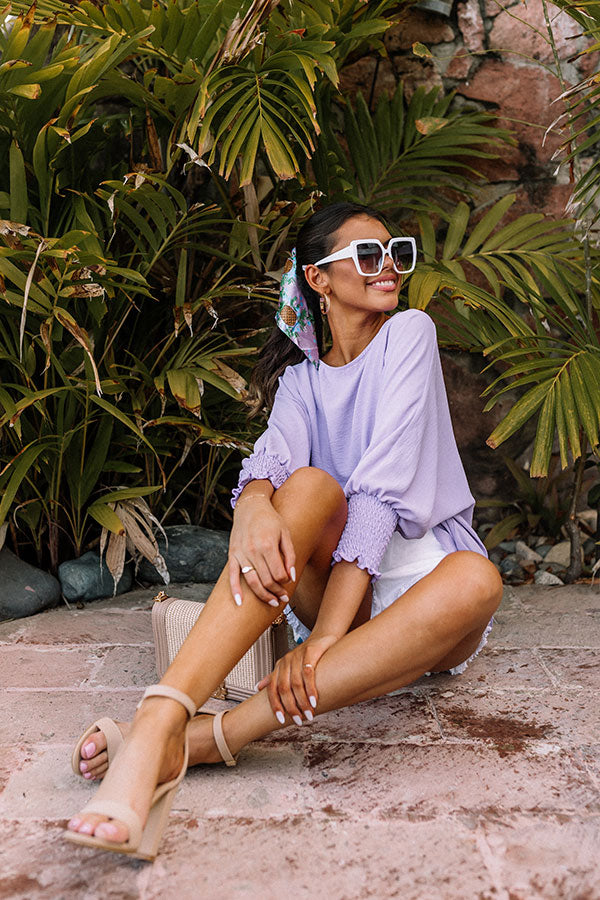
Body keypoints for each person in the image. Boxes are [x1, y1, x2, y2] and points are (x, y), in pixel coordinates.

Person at [65, 202, 502, 859]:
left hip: (425, 597)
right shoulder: (302, 381)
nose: (388, 266)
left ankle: (215, 737)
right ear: (319, 279)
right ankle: (162, 718)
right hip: (337, 593)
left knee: (478, 579)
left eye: (397, 253)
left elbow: (380, 491)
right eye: (367, 255)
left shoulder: (410, 333)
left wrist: (325, 637)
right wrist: (252, 507)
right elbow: (269, 461)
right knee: (307, 487)